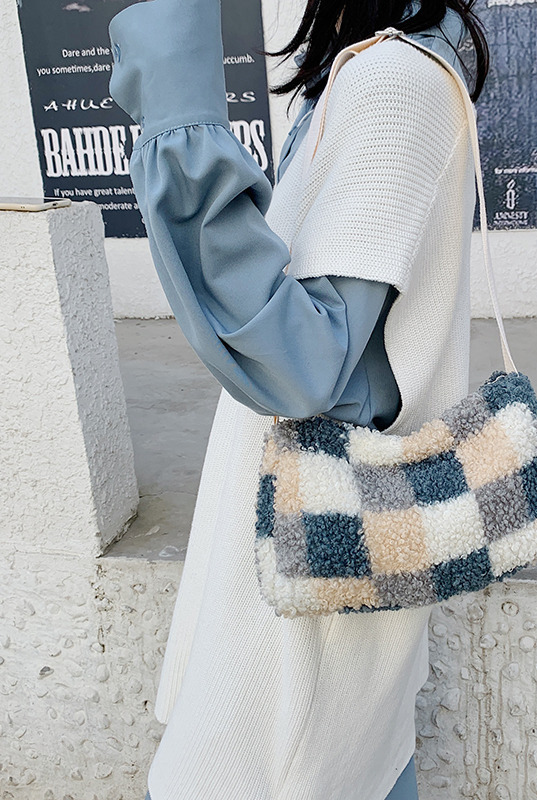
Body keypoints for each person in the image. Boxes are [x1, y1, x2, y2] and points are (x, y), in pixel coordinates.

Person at [108, 0, 490, 797]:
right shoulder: (374, 71)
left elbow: (301, 366)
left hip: (303, 594)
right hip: (309, 571)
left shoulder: (393, 82)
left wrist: (178, 106)